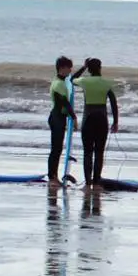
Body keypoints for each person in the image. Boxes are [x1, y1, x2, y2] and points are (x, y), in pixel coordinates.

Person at [75, 58, 119, 188]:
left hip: (88, 119)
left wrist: (82, 68)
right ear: (100, 68)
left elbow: (70, 80)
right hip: (101, 120)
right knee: (99, 152)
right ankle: (97, 182)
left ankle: (88, 183)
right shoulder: (106, 83)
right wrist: (115, 122)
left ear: (89, 69)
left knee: (87, 151)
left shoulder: (84, 81)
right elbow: (113, 103)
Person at [47, 56, 78, 184]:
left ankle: (53, 176)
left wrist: (85, 67)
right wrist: (74, 117)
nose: (70, 70)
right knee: (56, 149)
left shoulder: (60, 80)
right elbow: (64, 102)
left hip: (57, 117)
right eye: (68, 68)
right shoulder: (59, 84)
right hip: (57, 117)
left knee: (57, 148)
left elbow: (73, 78)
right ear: (62, 68)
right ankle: (52, 177)